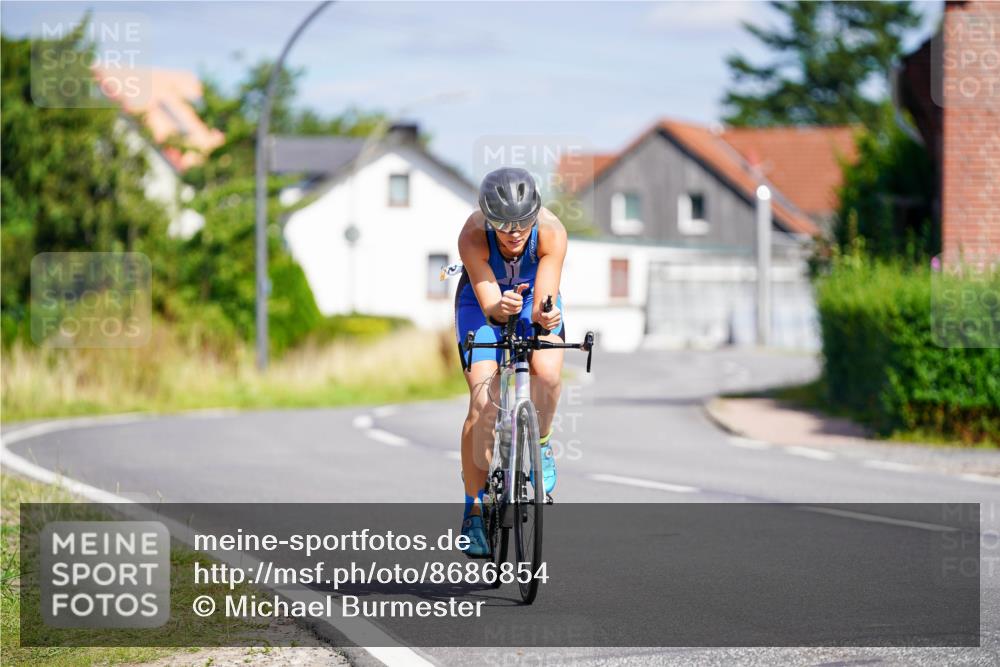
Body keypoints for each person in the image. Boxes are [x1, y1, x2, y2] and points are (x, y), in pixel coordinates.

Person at [453, 167, 567, 557]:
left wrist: (546, 316)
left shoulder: (551, 231)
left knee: (548, 374)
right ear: (487, 215)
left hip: (533, 295)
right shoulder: (472, 235)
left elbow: (545, 300)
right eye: (502, 223)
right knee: (483, 402)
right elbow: (489, 306)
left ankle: (543, 442)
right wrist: (500, 307)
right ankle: (474, 508)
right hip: (481, 303)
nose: (514, 231)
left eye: (522, 221)